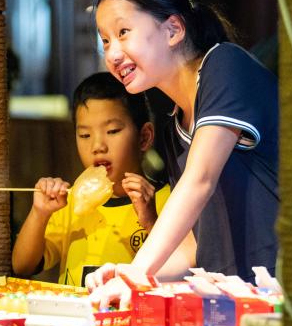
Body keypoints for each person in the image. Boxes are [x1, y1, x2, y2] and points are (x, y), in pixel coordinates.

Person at [86, 0, 280, 307]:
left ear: (173, 29)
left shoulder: (225, 65)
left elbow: (200, 179)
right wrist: (130, 274)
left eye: (123, 32)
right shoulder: (175, 125)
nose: (113, 54)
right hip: (235, 306)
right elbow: (192, 246)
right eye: (105, 40)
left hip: (291, 292)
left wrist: (135, 274)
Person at [11, 72, 172, 287]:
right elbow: (22, 266)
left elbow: (178, 269)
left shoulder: (170, 201)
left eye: (112, 131)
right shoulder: (69, 203)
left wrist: (151, 221)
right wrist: (40, 213)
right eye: (85, 135)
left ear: (144, 137)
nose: (97, 146)